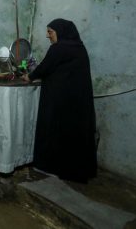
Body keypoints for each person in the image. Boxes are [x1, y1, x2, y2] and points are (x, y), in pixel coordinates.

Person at [22, 18, 97, 183]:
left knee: (55, 131)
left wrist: (29, 76)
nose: (48, 36)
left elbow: (45, 67)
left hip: (61, 101)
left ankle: (52, 167)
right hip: (77, 102)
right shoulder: (79, 47)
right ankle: (76, 170)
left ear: (61, 32)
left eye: (50, 32)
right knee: (73, 135)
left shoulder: (59, 48)